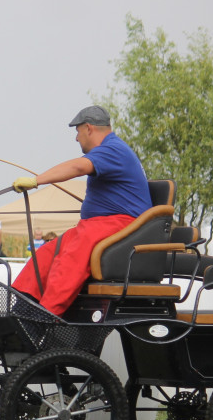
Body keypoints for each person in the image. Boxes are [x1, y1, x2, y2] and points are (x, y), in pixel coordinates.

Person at [10, 105, 152, 315]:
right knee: (47, 253)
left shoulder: (113, 149)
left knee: (71, 258)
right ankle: (20, 309)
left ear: (88, 128)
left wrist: (36, 181)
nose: (77, 139)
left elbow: (77, 167)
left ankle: (45, 317)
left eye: (77, 132)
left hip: (122, 226)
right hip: (98, 225)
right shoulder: (111, 152)